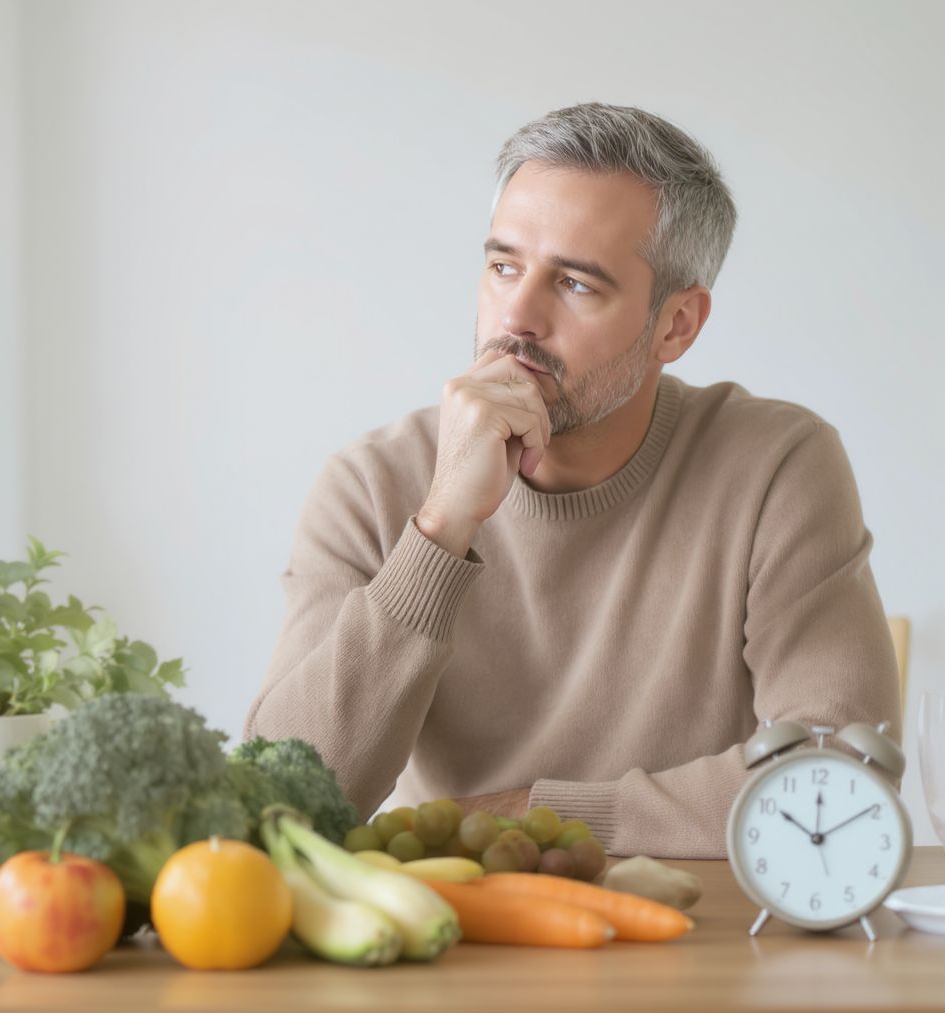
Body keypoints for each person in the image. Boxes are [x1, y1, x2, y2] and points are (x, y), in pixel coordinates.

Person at [243, 103, 900, 858]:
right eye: (503, 267)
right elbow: (279, 804)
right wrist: (442, 527)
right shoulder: (370, 486)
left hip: (696, 922)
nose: (517, 318)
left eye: (577, 284)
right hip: (455, 920)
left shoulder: (777, 466)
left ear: (677, 325)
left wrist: (531, 816)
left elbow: (840, 778)